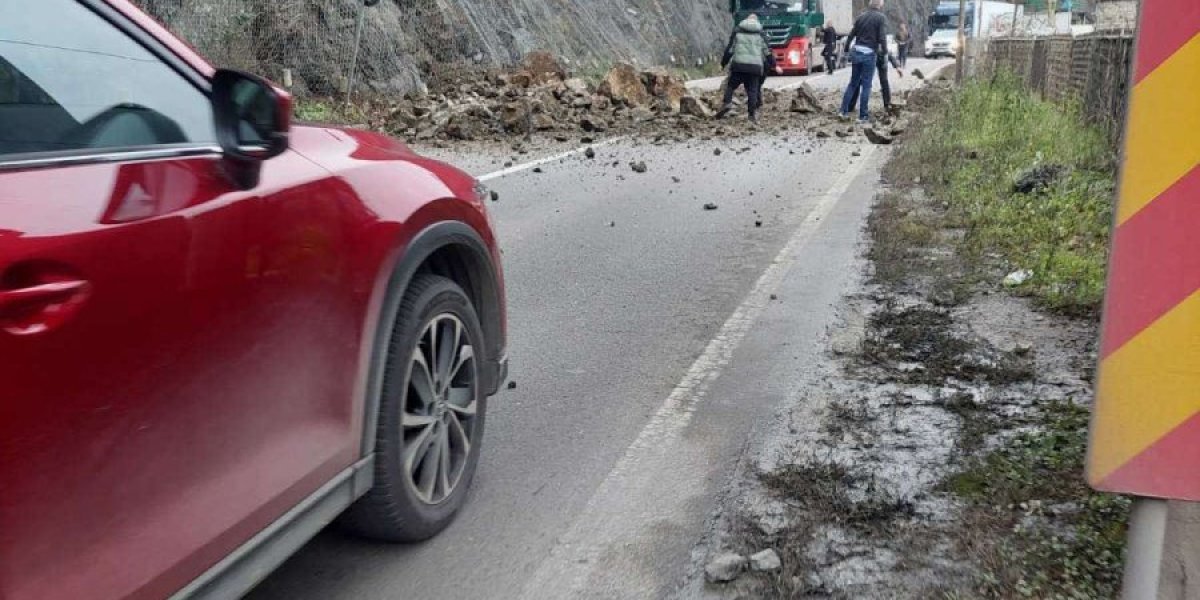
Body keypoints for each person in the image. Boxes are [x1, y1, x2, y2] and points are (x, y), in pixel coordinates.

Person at [717, 14, 781, 122]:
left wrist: (723, 63)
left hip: (739, 65)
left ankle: (727, 103)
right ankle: (751, 115)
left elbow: (730, 49)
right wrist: (775, 65)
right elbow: (767, 51)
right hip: (755, 67)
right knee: (753, 90)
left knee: (731, 86)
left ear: (746, 20)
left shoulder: (737, 31)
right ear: (756, 22)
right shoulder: (761, 33)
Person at [839, 0, 888, 123]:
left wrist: (846, 51)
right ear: (880, 5)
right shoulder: (881, 18)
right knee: (866, 85)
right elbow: (882, 37)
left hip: (856, 52)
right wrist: (885, 53)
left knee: (853, 83)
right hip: (869, 53)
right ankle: (863, 116)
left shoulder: (860, 17)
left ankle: (843, 111)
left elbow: (851, 35)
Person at [846, 48, 904, 115]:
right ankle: (887, 105)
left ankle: (851, 106)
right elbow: (886, 48)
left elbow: (886, 49)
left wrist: (896, 66)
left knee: (862, 81)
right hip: (876, 56)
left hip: (874, 56)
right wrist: (896, 66)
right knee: (882, 81)